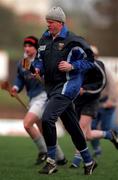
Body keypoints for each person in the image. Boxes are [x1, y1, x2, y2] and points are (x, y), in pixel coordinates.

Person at [32, 6, 99, 175]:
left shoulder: (74, 40)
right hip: (51, 87)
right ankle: (89, 161)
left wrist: (72, 66)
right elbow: (39, 59)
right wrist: (38, 69)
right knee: (72, 126)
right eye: (47, 22)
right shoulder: (44, 38)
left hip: (68, 86)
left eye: (51, 22)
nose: (48, 25)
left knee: (47, 118)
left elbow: (91, 61)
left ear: (60, 23)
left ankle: (52, 161)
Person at [10, 35, 67, 165]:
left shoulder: (42, 61)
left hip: (44, 97)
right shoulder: (23, 62)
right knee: (44, 131)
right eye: (25, 46)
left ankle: (43, 151)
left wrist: (41, 78)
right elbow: (20, 78)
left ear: (36, 48)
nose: (27, 48)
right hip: (33, 99)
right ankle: (60, 158)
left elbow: (51, 78)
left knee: (27, 124)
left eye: (30, 46)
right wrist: (15, 88)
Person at [70, 45, 118, 168]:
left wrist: (112, 101)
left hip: (97, 102)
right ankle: (109, 135)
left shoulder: (100, 66)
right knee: (88, 134)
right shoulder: (79, 66)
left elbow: (111, 85)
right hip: (81, 102)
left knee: (80, 129)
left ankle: (76, 161)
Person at [90, 46, 118, 157]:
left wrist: (111, 101)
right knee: (91, 127)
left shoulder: (103, 67)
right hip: (95, 103)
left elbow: (113, 85)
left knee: (107, 127)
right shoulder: (87, 68)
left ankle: (115, 135)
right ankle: (97, 150)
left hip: (107, 103)